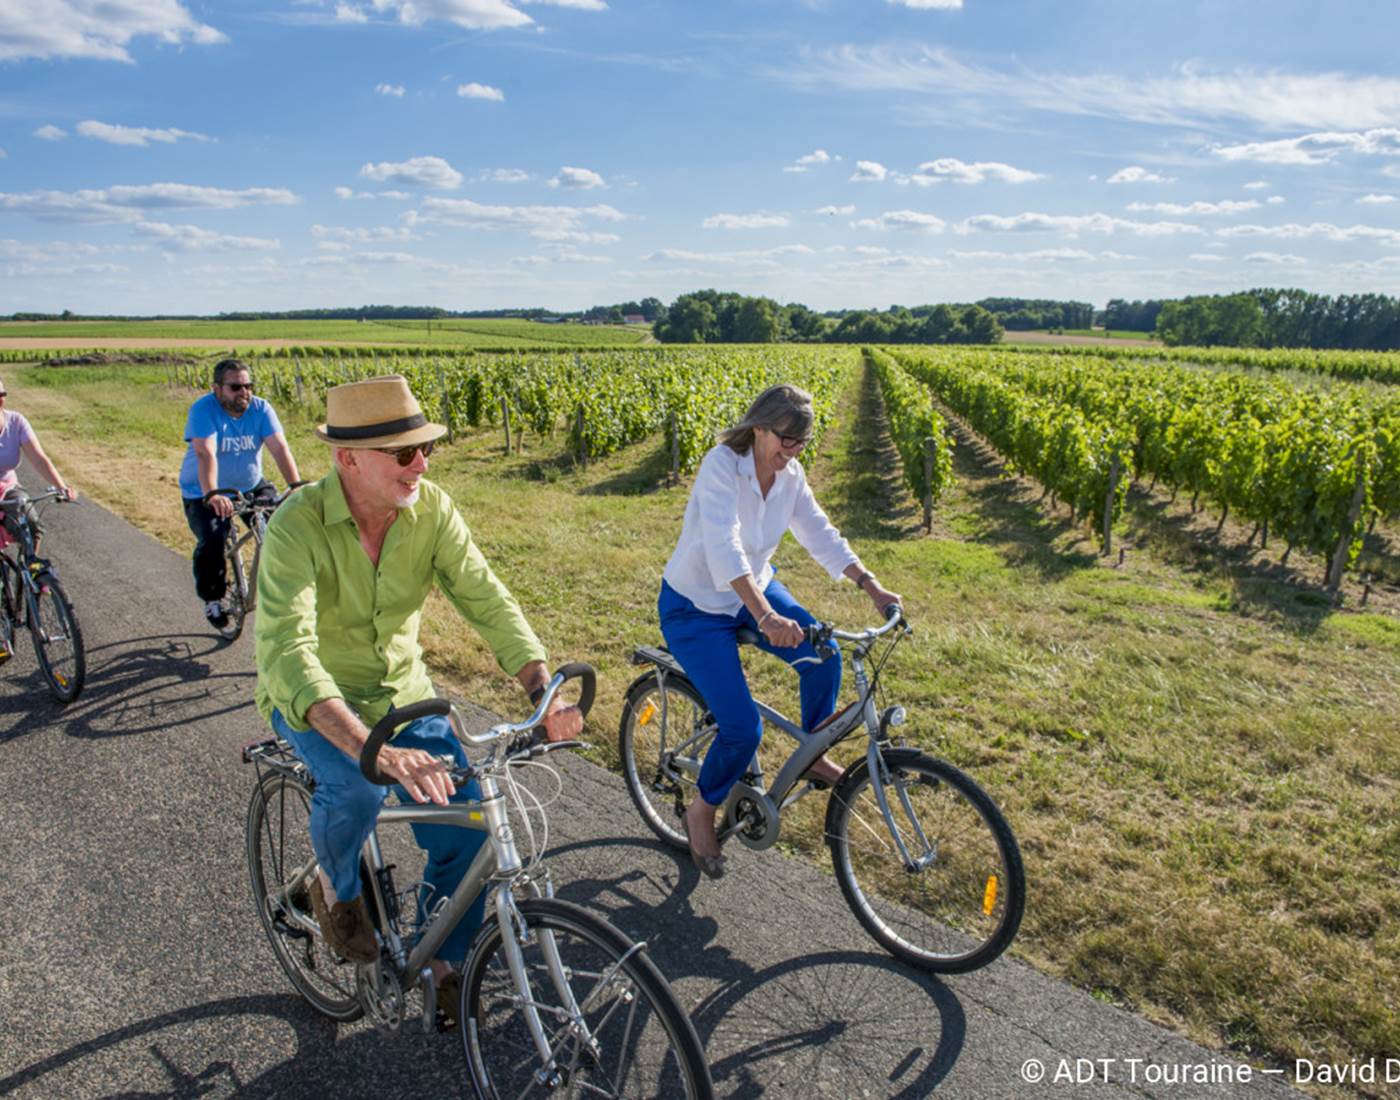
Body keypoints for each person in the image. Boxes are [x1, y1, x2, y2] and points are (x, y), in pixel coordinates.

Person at [254, 374, 583, 1022]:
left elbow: (485, 596)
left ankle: (442, 959)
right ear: (348, 459)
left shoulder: (431, 510)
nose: (422, 463)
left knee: (466, 818)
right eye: (405, 453)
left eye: (425, 448)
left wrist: (540, 685)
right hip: (316, 695)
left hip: (404, 692)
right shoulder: (298, 525)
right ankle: (335, 891)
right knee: (357, 790)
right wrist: (374, 754)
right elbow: (290, 651)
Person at [658, 384, 900, 879]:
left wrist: (872, 586)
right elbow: (723, 545)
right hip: (696, 605)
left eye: (801, 443)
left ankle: (813, 749)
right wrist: (765, 615)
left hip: (754, 593)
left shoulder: (790, 475)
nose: (791, 453)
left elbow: (819, 531)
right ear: (759, 427)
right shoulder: (722, 465)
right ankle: (701, 811)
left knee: (825, 653)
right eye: (785, 440)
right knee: (743, 729)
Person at [179, 358, 301, 630]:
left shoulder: (261, 409)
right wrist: (211, 493)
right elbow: (205, 452)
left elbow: (279, 448)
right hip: (205, 489)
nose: (244, 392)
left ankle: (285, 595)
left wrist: (295, 486)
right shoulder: (203, 410)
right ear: (217, 389)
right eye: (235, 387)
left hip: (251, 484)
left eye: (248, 385)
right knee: (213, 539)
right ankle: (213, 599)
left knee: (282, 531)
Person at [0, 376, 78, 663]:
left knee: (31, 526)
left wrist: (60, 486)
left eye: (0, 395)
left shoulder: (15, 422)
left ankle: (32, 577)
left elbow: (39, 457)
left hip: (7, 488)